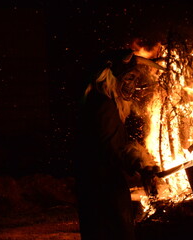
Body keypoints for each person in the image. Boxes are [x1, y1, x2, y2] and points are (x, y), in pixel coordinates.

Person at [74, 49, 163, 240]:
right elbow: (112, 150)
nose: (132, 85)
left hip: (95, 184)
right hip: (104, 187)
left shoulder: (97, 101)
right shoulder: (104, 106)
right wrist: (142, 166)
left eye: (134, 79)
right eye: (129, 78)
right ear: (112, 78)